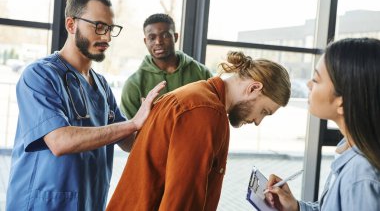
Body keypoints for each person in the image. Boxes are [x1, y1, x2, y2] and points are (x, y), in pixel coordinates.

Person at [6, 0, 166, 211]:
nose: (107, 37)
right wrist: (132, 124)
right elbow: (60, 141)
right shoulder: (39, 75)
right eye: (99, 27)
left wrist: (159, 121)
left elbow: (128, 141)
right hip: (42, 204)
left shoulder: (101, 86)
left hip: (90, 202)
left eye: (110, 29)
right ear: (71, 25)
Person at [107, 51, 291, 211]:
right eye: (264, 111)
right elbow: (182, 198)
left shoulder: (197, 96)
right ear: (254, 88)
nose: (258, 121)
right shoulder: (205, 111)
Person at [265, 38, 380, 211]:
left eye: (316, 80)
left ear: (343, 101)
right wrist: (295, 207)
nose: (308, 84)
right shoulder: (348, 147)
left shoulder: (361, 177)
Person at [120, 13, 213, 119]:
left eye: (165, 35)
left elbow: (216, 115)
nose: (158, 41)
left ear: (175, 37)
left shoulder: (202, 73)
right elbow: (129, 130)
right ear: (145, 41)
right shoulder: (134, 84)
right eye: (152, 37)